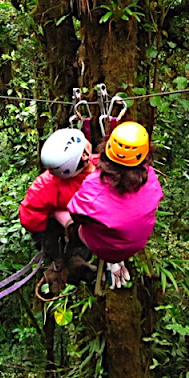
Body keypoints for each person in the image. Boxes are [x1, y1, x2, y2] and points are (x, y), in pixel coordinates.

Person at [55, 121, 164, 289]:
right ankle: (114, 260)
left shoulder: (94, 186)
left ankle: (99, 258)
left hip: (103, 245)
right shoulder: (151, 177)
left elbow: (76, 214)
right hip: (135, 242)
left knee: (59, 213)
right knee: (114, 221)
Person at [19, 128, 99, 296]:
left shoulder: (46, 185)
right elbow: (31, 217)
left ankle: (71, 264)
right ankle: (67, 264)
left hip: (76, 222)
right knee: (74, 238)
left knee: (77, 240)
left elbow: (29, 216)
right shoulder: (102, 172)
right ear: (84, 156)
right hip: (64, 226)